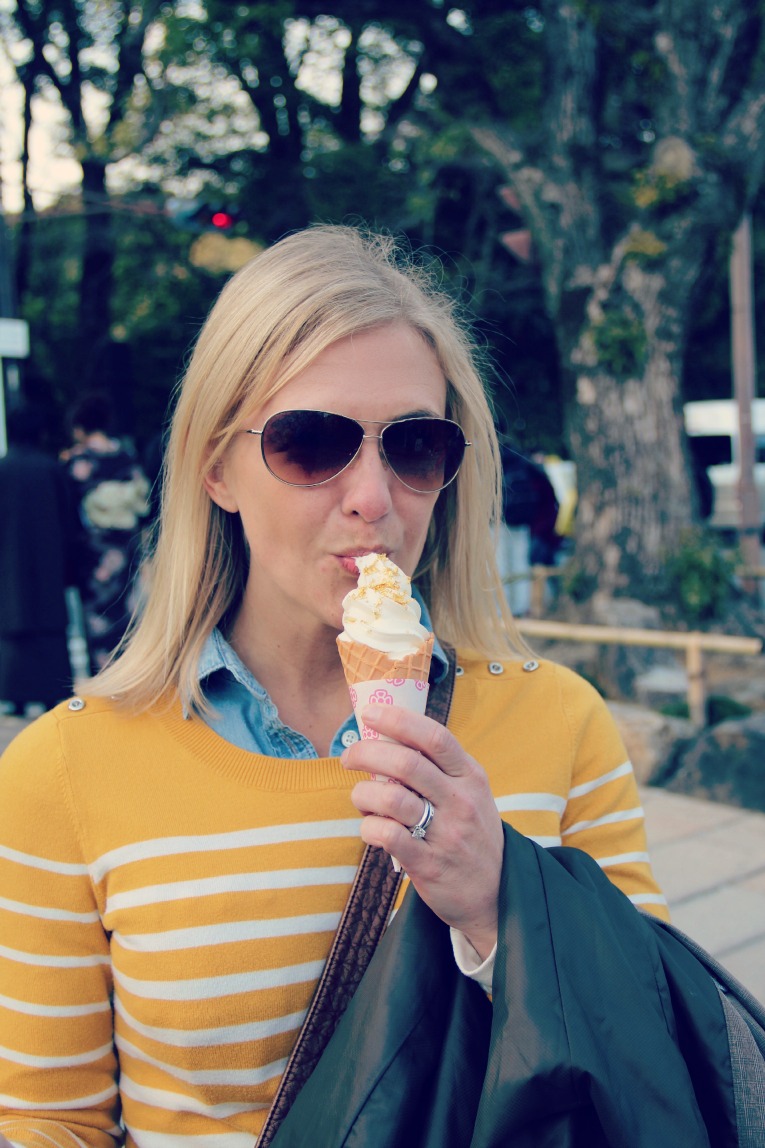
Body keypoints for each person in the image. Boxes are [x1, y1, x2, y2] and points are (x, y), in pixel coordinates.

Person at [0, 225, 670, 1148]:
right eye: (312, 443)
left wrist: (499, 904)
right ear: (216, 467)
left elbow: (653, 1047)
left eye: (415, 446)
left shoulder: (557, 719)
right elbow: (50, 1119)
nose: (372, 497)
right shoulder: (65, 771)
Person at [0, 403, 82, 714]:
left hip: (9, 561)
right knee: (49, 622)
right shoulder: (51, 469)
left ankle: (14, 694)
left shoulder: (3, 469)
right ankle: (51, 689)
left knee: (12, 619)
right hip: (50, 560)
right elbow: (69, 521)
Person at [61, 392, 150, 671]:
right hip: (126, 544)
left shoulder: (78, 461)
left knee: (98, 617)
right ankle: (129, 674)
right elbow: (142, 500)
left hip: (95, 551)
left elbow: (69, 507)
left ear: (79, 427)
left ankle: (102, 675)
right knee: (127, 613)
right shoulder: (125, 455)